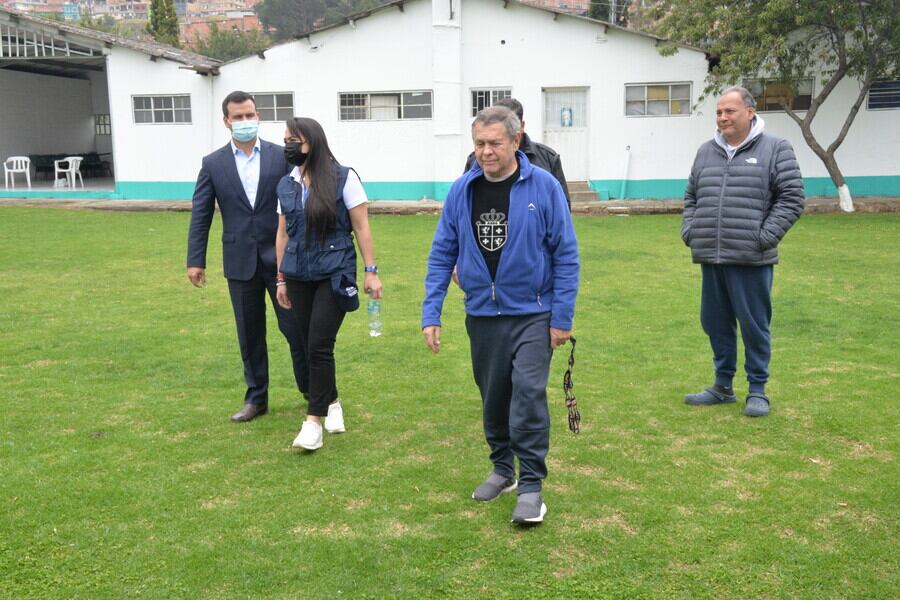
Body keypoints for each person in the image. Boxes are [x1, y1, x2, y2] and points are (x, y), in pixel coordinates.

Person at [422, 106, 579, 524]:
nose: (486, 152)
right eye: (479, 144)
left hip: (533, 312)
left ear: (515, 140)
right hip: (482, 313)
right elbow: (442, 253)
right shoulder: (462, 190)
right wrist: (430, 312)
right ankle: (501, 469)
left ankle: (530, 486)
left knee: (527, 392)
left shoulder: (543, 187)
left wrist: (562, 316)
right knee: (494, 397)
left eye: (494, 143)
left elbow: (566, 253)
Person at [681, 86, 804, 418]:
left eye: (729, 111)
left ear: (750, 112)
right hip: (711, 254)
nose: (722, 117)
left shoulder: (776, 148)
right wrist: (690, 230)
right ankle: (722, 387)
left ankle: (758, 390)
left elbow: (792, 199)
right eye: (719, 112)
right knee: (715, 323)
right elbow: (691, 197)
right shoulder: (706, 151)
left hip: (752, 258)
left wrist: (764, 238)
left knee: (754, 326)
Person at [187, 91, 308, 423]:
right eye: (238, 117)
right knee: (249, 333)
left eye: (250, 115)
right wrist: (195, 259)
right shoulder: (213, 164)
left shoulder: (280, 156)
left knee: (295, 328)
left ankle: (313, 392)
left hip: (282, 260)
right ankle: (256, 398)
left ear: (258, 116)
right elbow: (201, 214)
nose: (245, 122)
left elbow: (301, 200)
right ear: (226, 121)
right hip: (240, 261)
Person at [275, 117, 382, 451]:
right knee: (309, 344)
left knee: (320, 343)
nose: (289, 146)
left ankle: (313, 423)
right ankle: (331, 401)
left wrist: (371, 270)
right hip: (296, 274)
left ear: (314, 142)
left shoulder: (343, 178)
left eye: (296, 140)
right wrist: (280, 277)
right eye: (286, 140)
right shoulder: (286, 184)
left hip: (334, 271)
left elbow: (361, 227)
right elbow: (282, 233)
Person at [463, 97, 570, 209]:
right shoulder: (475, 160)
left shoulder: (548, 158)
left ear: (521, 126)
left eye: (510, 124)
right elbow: (462, 203)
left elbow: (562, 208)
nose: (487, 152)